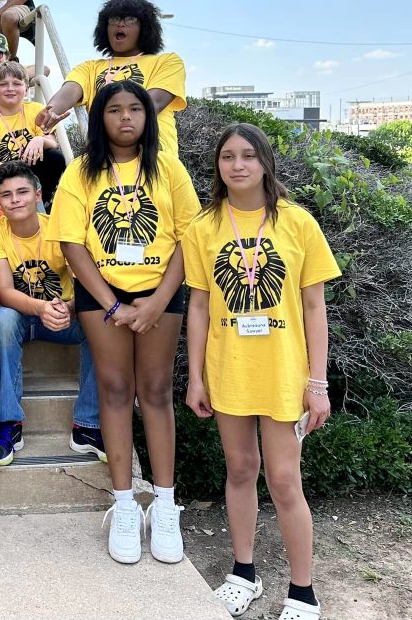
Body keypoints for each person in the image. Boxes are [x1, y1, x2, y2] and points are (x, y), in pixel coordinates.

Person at [183, 124, 339, 620]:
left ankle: (303, 591)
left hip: (284, 375)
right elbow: (200, 308)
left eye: (249, 155)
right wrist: (195, 378)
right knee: (241, 470)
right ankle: (243, 573)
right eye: (228, 156)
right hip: (229, 372)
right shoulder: (203, 228)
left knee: (286, 480)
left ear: (266, 162)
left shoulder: (297, 224)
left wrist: (318, 384)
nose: (238, 165)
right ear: (218, 167)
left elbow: (315, 308)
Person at [49, 80, 199, 565]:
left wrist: (156, 301)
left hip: (161, 293)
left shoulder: (169, 168)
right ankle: (124, 504)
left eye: (136, 109)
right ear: (100, 118)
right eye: (115, 110)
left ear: (148, 117)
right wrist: (114, 305)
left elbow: (186, 240)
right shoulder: (80, 174)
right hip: (101, 297)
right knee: (114, 392)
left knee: (155, 392)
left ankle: (166, 503)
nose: (127, 117)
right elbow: (73, 245)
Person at [0, 161, 104, 466]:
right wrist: (41, 308)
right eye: (6, 195)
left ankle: (88, 425)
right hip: (22, 316)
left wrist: (71, 308)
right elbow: (4, 291)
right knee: (3, 318)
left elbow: (84, 282)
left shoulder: (58, 230)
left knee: (100, 321)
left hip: (64, 315)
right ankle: (8, 423)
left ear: (38, 195)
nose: (15, 199)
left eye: (22, 192)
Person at [37, 0, 187, 156]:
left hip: (155, 158)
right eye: (114, 19)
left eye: (130, 19)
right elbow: (69, 91)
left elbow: (152, 103)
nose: (120, 24)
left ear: (145, 27)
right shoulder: (89, 68)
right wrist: (51, 111)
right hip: (105, 160)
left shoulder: (167, 62)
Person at [0, 61, 64, 207]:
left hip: (34, 171)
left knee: (55, 157)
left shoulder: (36, 109)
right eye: (3, 84)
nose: (10, 89)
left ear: (26, 89)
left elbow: (53, 143)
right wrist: (20, 170)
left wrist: (39, 139)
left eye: (16, 84)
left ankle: (43, 204)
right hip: (4, 174)